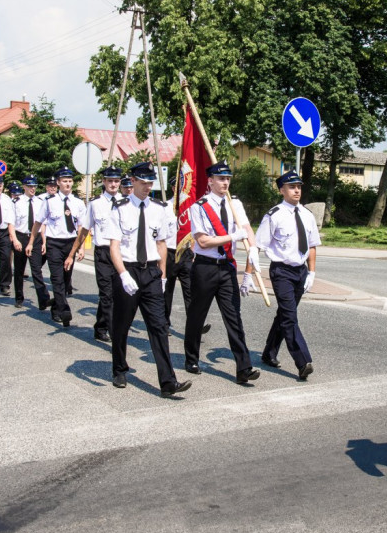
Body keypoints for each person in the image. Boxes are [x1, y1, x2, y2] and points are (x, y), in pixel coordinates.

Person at [95, 161, 191, 398]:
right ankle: (119, 368)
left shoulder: (159, 209)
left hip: (150, 274)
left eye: (151, 183)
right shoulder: (119, 209)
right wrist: (123, 274)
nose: (148, 187)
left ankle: (168, 381)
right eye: (144, 183)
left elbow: (161, 245)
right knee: (121, 325)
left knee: (158, 326)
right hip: (128, 270)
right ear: (133, 182)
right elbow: (114, 246)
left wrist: (163, 276)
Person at [183, 161, 261, 385]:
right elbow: (203, 240)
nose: (225, 182)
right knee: (197, 315)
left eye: (228, 178)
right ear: (210, 181)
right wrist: (232, 238)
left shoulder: (235, 203)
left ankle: (243, 368)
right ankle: (191, 358)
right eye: (220, 178)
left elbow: (246, 229)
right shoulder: (199, 206)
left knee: (234, 317)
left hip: (227, 267)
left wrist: (253, 250)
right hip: (205, 267)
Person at [254, 170, 321, 380]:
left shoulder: (307, 215)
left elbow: (312, 246)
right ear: (282, 190)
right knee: (290, 317)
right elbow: (258, 245)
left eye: (299, 187)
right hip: (281, 271)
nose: (297, 190)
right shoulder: (274, 215)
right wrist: (250, 273)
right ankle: (303, 361)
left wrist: (311, 272)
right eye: (292, 187)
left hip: (300, 272)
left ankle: (268, 353)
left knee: (284, 315)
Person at [70, 165, 123, 342]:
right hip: (103, 254)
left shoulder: (128, 202)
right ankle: (116, 335)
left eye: (116, 181)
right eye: (110, 181)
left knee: (116, 295)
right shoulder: (95, 204)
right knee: (107, 295)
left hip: (122, 254)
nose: (113, 184)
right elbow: (84, 230)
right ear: (104, 182)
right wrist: (75, 251)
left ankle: (100, 327)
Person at [27, 167, 85, 327]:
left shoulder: (78, 203)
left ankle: (55, 307)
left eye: (70, 181)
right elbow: (37, 223)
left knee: (66, 281)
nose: (68, 184)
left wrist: (81, 248)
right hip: (54, 244)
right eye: (64, 181)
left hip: (71, 244)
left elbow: (81, 227)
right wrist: (31, 242)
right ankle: (64, 312)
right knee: (57, 279)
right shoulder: (49, 202)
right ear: (58, 183)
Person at [12, 176, 50, 310]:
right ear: (24, 187)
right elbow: (11, 224)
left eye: (34, 186)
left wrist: (44, 242)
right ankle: (19, 298)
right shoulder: (17, 202)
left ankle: (43, 300)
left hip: (37, 238)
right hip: (21, 237)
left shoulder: (41, 202)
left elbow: (43, 224)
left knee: (36, 270)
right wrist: (15, 239)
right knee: (19, 270)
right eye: (30, 186)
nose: (33, 188)